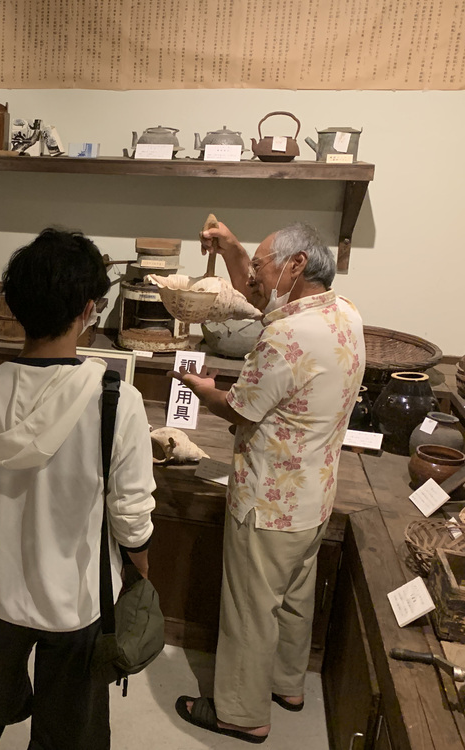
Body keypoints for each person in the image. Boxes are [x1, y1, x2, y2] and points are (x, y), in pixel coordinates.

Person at [0, 228, 156, 750]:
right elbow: (131, 514)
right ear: (88, 310)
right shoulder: (115, 398)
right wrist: (139, 565)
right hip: (75, 599)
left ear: (17, 306)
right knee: (68, 724)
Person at [173, 222, 365, 744]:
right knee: (294, 595)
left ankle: (241, 713)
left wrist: (202, 389)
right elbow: (264, 301)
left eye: (260, 265)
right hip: (313, 496)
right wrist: (236, 250)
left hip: (267, 502)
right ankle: (287, 685)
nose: (253, 276)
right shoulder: (344, 313)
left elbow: (239, 409)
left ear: (296, 264)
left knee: (251, 608)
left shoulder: (286, 336)